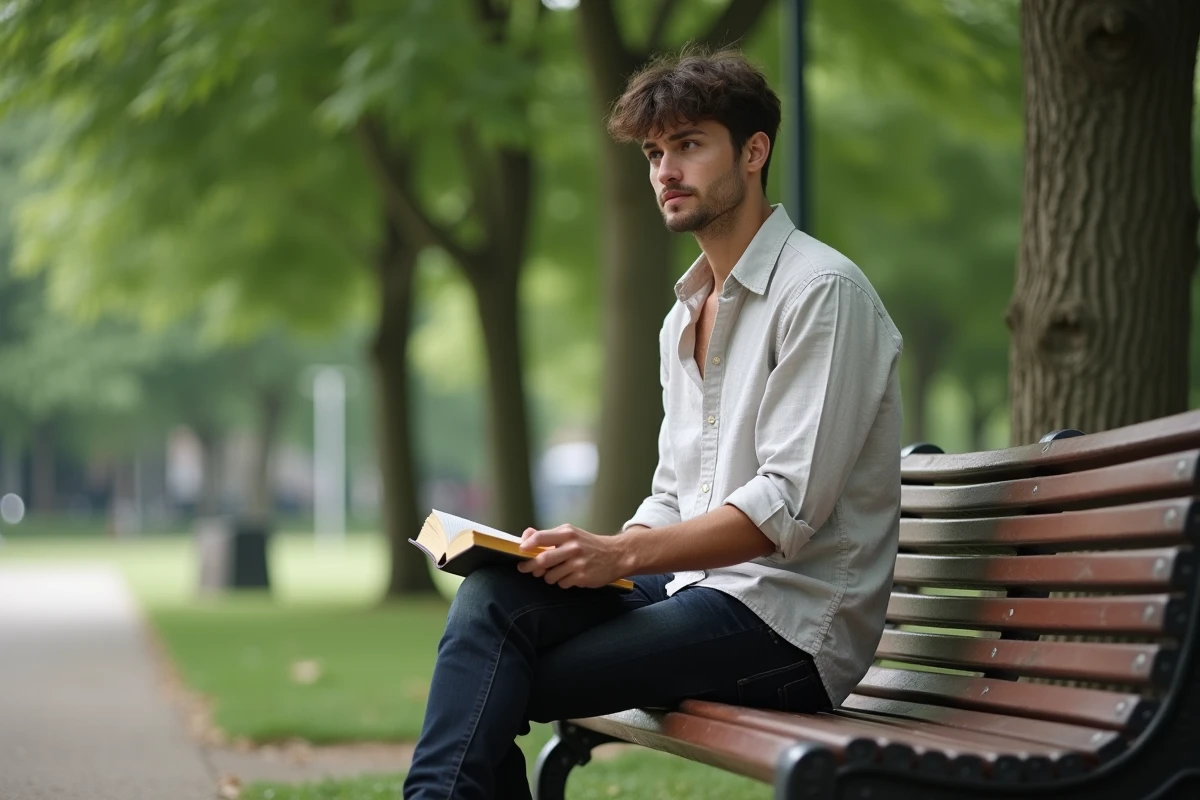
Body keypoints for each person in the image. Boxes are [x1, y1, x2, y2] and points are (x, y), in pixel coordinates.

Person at [403, 46, 903, 800]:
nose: (666, 171)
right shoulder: (685, 315)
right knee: (492, 599)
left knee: (501, 673)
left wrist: (617, 556)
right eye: (653, 152)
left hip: (789, 626)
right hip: (693, 590)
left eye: (690, 145)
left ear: (755, 150)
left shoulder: (822, 292)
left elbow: (785, 509)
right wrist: (587, 555)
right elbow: (675, 493)